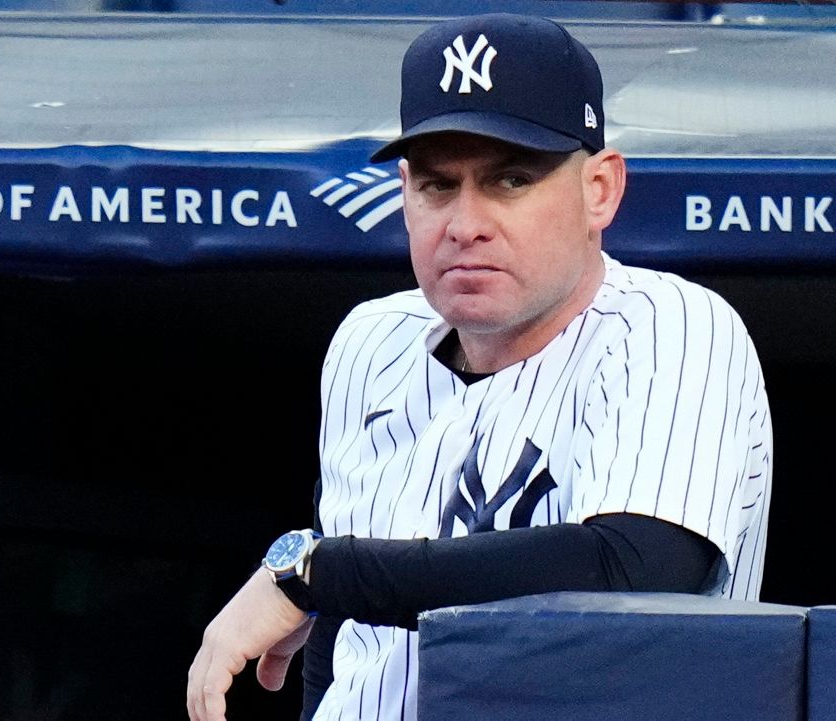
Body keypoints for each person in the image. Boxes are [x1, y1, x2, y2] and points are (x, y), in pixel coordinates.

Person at [187, 13, 772, 721]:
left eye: (511, 179)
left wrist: (319, 573)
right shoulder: (369, 343)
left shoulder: (670, 324)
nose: (466, 222)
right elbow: (341, 634)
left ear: (600, 190)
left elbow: (638, 567)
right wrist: (323, 583)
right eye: (438, 186)